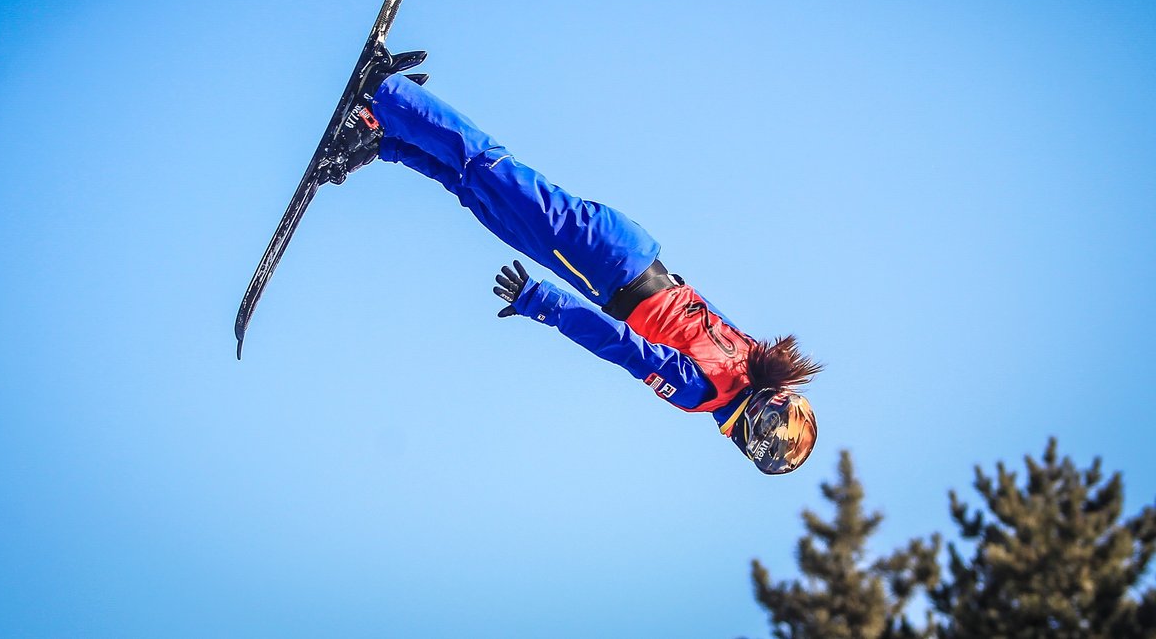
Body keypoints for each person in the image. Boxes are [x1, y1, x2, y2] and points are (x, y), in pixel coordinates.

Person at [348, 58, 823, 474]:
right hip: (606, 267)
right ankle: (387, 89)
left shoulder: (748, 362)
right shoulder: (703, 392)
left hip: (622, 257)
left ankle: (381, 136)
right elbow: (622, 347)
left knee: (482, 196)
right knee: (490, 171)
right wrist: (544, 304)